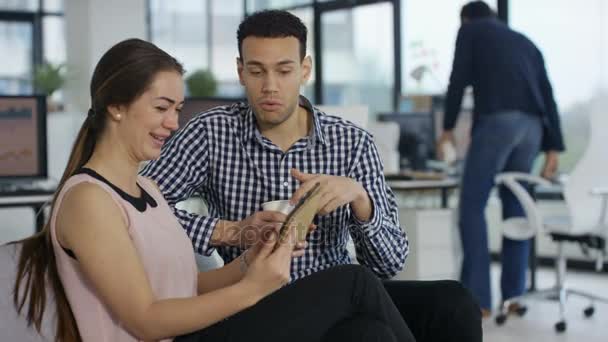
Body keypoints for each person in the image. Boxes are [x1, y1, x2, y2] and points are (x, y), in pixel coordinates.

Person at [10, 38, 415, 342]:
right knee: (354, 282)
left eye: (177, 109)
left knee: (366, 333)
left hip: (193, 331)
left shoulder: (147, 189)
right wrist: (255, 288)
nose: (173, 123)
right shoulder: (88, 201)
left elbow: (188, 286)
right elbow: (145, 319)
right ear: (116, 106)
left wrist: (251, 258)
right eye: (161, 107)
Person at [142, 9, 481, 342]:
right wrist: (230, 231)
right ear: (240, 71)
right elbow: (142, 209)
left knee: (452, 302)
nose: (270, 86)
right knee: (357, 296)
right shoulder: (210, 132)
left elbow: (389, 264)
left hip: (341, 296)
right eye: (257, 71)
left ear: (305, 69)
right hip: (257, 302)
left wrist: (361, 201)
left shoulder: (351, 142)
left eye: (284, 70)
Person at [437, 1, 566, 317]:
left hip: (498, 122)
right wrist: (554, 149)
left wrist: (448, 128)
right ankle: (514, 296)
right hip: (533, 128)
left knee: (472, 205)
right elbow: (548, 96)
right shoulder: (525, 42)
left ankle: (478, 299)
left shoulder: (470, 31)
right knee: (517, 205)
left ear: (466, 18)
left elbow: (458, 78)